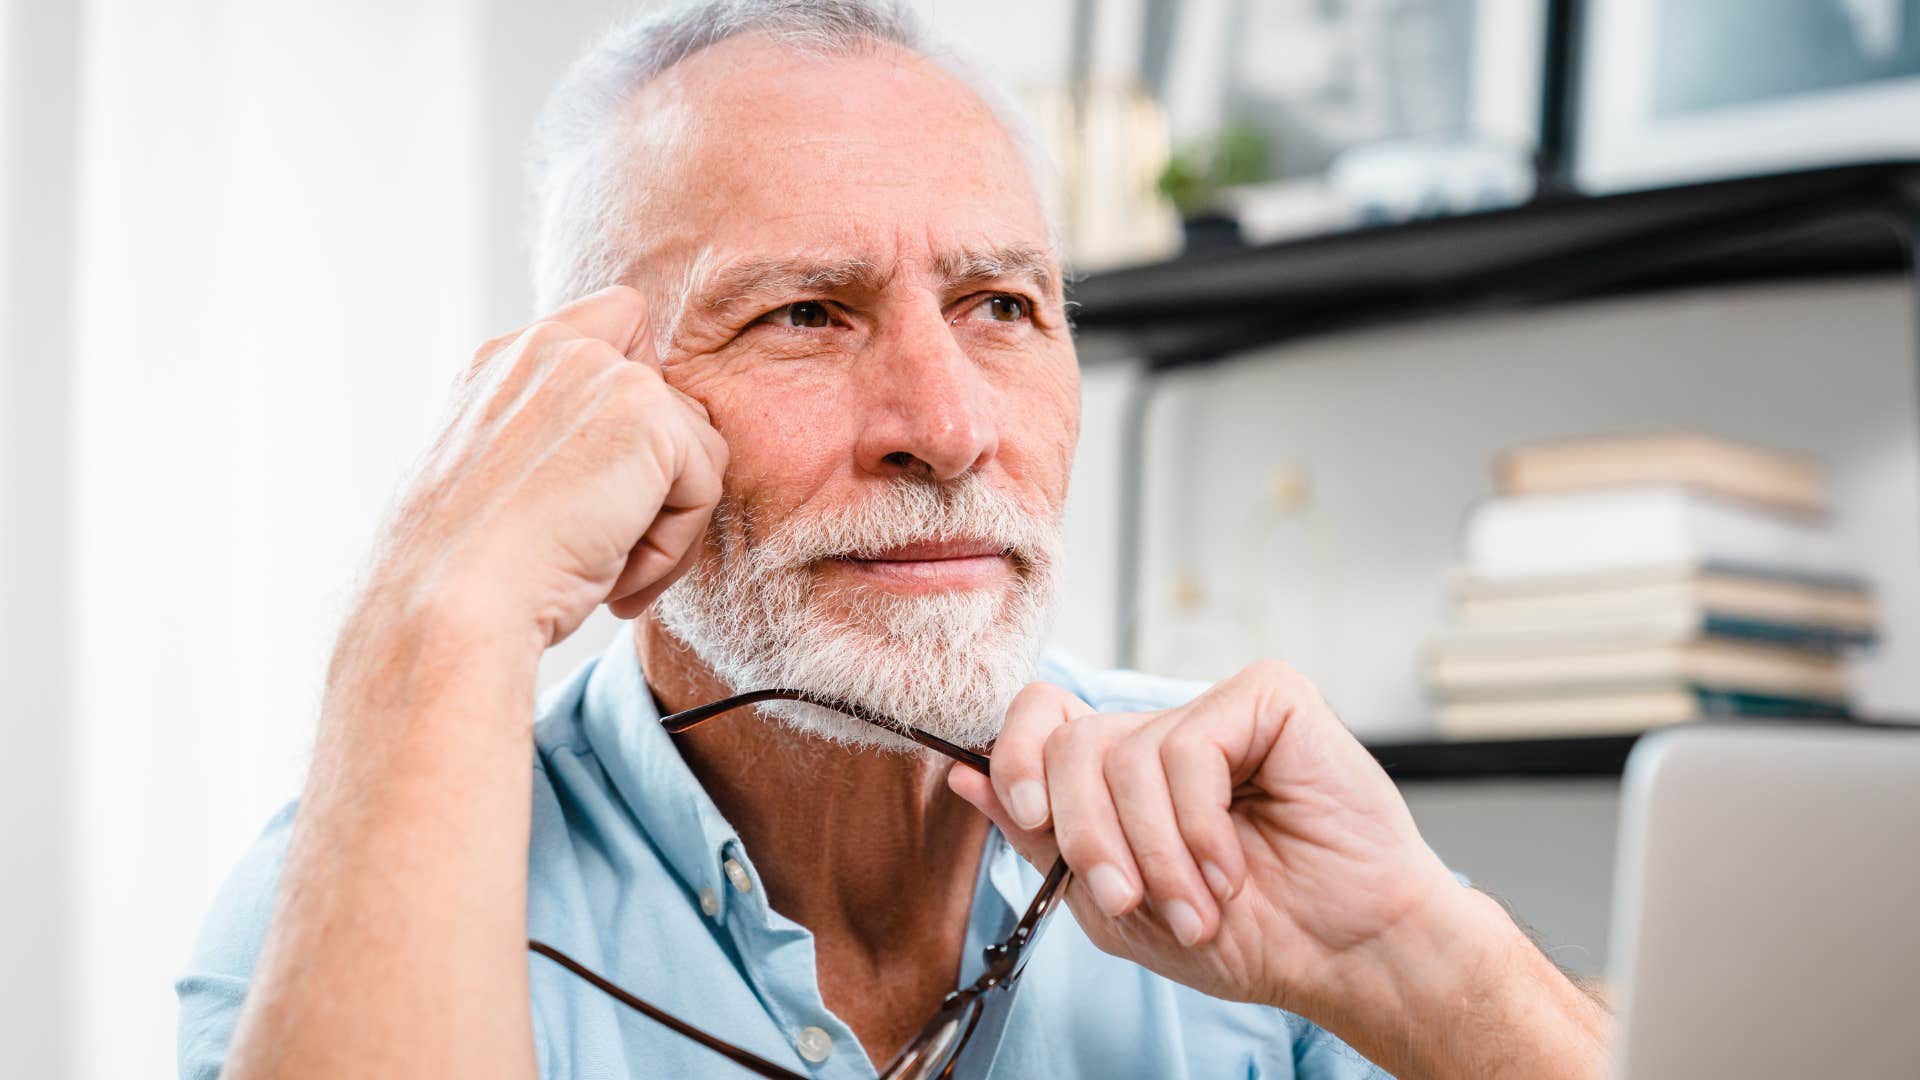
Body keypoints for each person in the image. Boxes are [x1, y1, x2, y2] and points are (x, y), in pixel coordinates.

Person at [176, 2, 1611, 1076]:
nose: (950, 425)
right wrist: (438, 608)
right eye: (805, 312)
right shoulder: (352, 901)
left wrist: (1411, 962)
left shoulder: (1231, 833)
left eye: (1002, 307)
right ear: (589, 412)